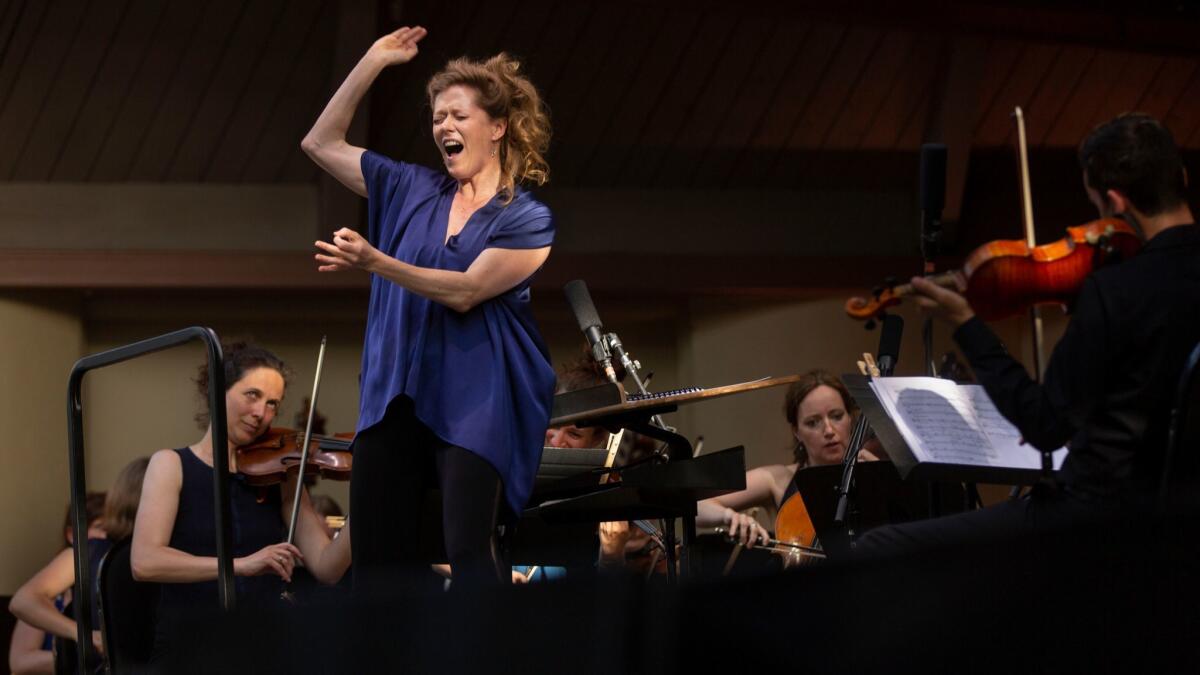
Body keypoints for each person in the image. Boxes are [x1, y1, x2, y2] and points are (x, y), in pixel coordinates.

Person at [858, 113, 1199, 553]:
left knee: (880, 547)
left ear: (1115, 202)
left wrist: (966, 324)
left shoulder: (1117, 292)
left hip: (1094, 518)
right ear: (1182, 177)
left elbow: (1044, 426)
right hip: (1177, 515)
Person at [302, 26, 556, 591]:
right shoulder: (410, 187)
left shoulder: (528, 219)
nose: (444, 126)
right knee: (378, 560)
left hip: (475, 403)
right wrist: (370, 60)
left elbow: (465, 290)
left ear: (497, 127)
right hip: (394, 394)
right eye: (438, 117)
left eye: (459, 116)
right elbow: (320, 144)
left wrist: (376, 261)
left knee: (468, 549)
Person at [130, 344, 348, 659]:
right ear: (217, 390)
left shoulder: (282, 475)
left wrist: (369, 505)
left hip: (263, 647)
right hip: (190, 649)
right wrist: (243, 566)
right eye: (252, 395)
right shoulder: (171, 465)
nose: (262, 413)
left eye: (273, 403)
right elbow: (144, 562)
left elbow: (327, 568)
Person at [695, 370, 879, 550]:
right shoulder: (778, 479)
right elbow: (696, 505)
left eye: (837, 416)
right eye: (813, 422)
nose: (829, 431)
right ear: (796, 432)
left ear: (850, 418)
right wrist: (729, 517)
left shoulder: (872, 469)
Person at [9, 464, 145, 673]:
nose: (103, 536)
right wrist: (81, 641)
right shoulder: (88, 558)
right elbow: (20, 660)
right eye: (100, 528)